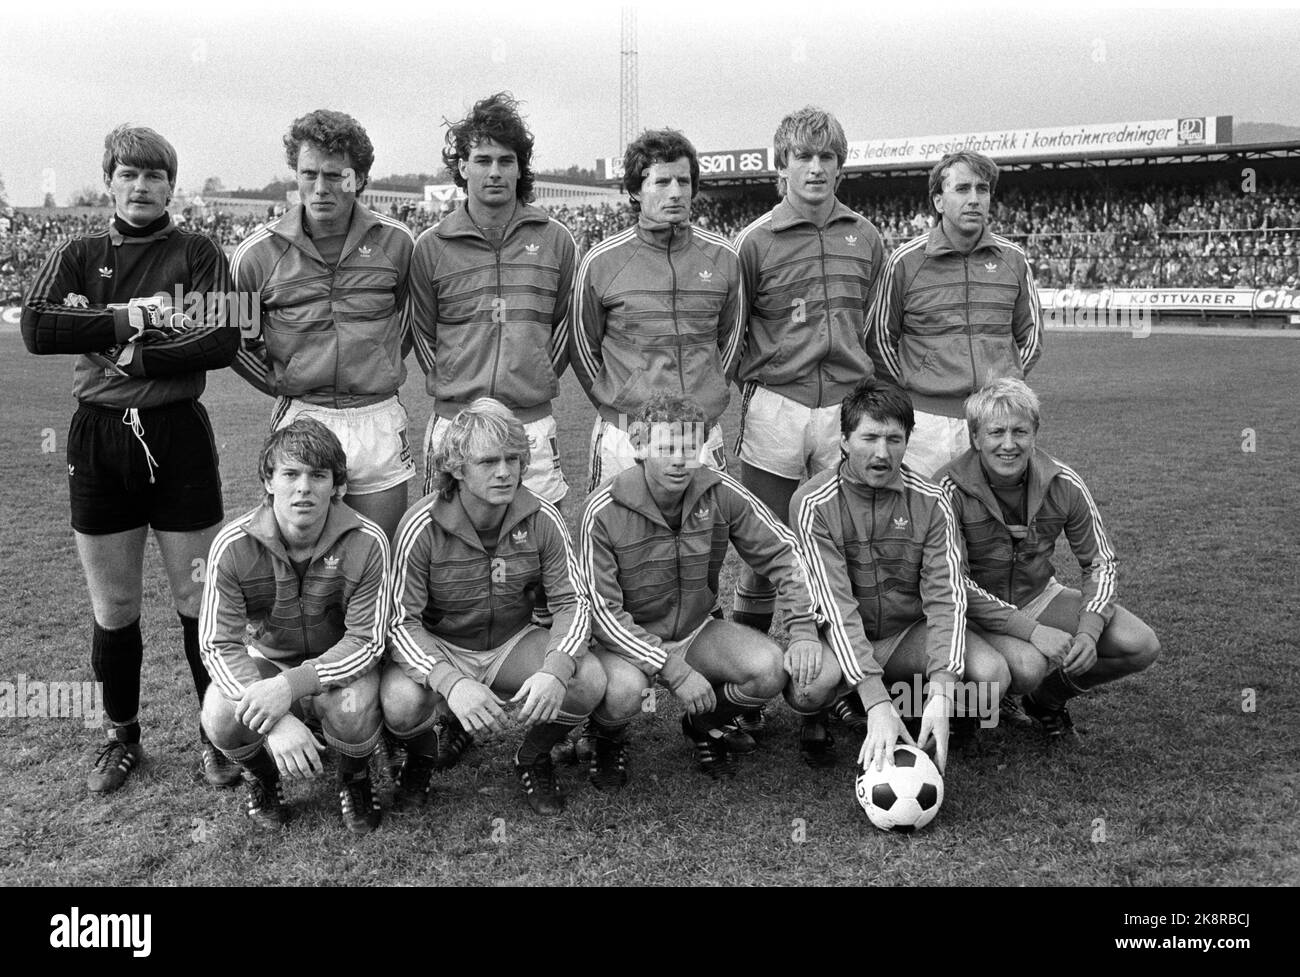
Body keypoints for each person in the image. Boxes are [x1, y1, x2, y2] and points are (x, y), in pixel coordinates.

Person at [21, 124, 239, 793]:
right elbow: (38, 328)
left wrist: (124, 350)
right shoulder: (78, 251)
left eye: (154, 176)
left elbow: (221, 338)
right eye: (127, 174)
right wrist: (128, 318)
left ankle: (217, 734)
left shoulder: (197, 251)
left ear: (171, 185)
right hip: (100, 439)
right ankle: (122, 736)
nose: (140, 187)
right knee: (114, 606)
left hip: (178, 436)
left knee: (198, 598)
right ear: (109, 179)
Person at [729, 106, 887, 750]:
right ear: (781, 166)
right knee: (765, 550)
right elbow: (731, 332)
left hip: (846, 410)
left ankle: (821, 697)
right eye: (802, 157)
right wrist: (757, 387)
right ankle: (752, 692)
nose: (815, 168)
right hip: (776, 406)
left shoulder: (867, 236)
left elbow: (878, 328)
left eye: (826, 158)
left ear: (840, 166)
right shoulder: (755, 241)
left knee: (837, 547)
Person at [578, 394, 822, 788]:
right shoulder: (602, 509)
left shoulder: (719, 490)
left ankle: (704, 724)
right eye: (668, 447)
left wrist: (803, 628)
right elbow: (603, 612)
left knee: (770, 669)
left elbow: (785, 553)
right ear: (639, 446)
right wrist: (673, 671)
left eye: (691, 448)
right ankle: (607, 736)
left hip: (695, 628)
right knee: (625, 691)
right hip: (626, 641)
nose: (680, 460)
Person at [383, 399, 601, 816]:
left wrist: (555, 670)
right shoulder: (421, 524)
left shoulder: (543, 518)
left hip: (510, 642)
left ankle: (533, 757)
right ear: (458, 468)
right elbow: (399, 623)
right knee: (399, 701)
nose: (504, 472)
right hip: (442, 645)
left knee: (587, 678)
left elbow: (572, 603)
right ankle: (422, 759)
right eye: (488, 461)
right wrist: (452, 682)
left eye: (512, 459)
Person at [788, 377, 1017, 773]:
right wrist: (875, 695)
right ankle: (849, 705)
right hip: (840, 635)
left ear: (908, 440)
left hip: (905, 633)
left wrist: (945, 687)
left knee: (992, 678)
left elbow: (946, 598)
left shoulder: (931, 501)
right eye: (869, 437)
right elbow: (836, 607)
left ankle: (922, 709)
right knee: (808, 688)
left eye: (894, 439)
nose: (882, 452)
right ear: (843, 441)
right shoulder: (812, 502)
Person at [938, 378, 1160, 739]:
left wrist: (1089, 632)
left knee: (1141, 645)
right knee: (1025, 668)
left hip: (1037, 596)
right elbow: (952, 583)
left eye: (1019, 431)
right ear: (975, 438)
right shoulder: (946, 489)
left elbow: (1100, 561)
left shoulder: (1063, 482)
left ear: (1035, 433)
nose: (1008, 444)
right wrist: (1032, 632)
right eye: (996, 433)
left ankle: (1047, 698)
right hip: (970, 611)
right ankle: (966, 706)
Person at [231, 109, 416, 540]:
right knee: (299, 564)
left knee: (377, 556)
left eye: (336, 176)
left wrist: (377, 363)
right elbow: (233, 339)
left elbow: (410, 320)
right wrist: (283, 379)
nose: (319, 188)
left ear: (360, 178)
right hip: (303, 413)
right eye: (308, 173)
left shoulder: (398, 242)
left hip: (377, 417)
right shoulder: (254, 254)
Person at [198, 419, 388, 833]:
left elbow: (368, 640)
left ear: (336, 487)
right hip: (269, 663)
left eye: (317, 475)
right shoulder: (233, 545)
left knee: (352, 709)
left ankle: (354, 778)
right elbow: (217, 645)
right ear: (269, 481)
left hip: (337, 666)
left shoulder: (367, 540)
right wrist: (276, 717)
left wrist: (291, 688)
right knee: (219, 714)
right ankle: (262, 777)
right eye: (291, 474)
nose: (304, 487)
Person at [409, 92, 577, 509]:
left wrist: (529, 378)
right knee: (452, 557)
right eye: (482, 160)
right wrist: (459, 390)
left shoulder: (555, 240)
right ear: (462, 167)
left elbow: (563, 329)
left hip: (531, 420)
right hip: (456, 423)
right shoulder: (431, 246)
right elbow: (422, 332)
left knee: (537, 550)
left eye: (506, 161)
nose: (495, 172)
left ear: (521, 168)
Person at [570, 128, 745, 492]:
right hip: (626, 434)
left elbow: (731, 343)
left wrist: (708, 401)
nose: (676, 192)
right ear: (635, 190)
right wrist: (620, 409)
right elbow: (583, 348)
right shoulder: (601, 262)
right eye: (662, 181)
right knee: (618, 542)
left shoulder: (723, 258)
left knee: (704, 544)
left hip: (699, 435)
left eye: (684, 181)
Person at [868, 151, 1044, 478]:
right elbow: (879, 339)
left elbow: (1032, 336)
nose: (974, 199)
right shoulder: (905, 262)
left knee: (990, 524)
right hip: (925, 423)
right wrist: (913, 384)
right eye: (962, 189)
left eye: (983, 189)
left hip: (995, 419)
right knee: (924, 520)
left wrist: (1005, 385)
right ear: (938, 200)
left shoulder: (1013, 259)